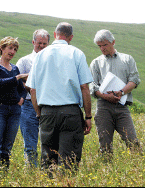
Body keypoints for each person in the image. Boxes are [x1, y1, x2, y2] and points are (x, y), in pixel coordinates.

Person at [26, 22, 93, 174]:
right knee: (69, 160)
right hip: (71, 112)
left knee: (48, 159)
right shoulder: (77, 53)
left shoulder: (40, 55)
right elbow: (84, 87)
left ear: (55, 34)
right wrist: (88, 116)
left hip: (47, 112)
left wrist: (39, 113)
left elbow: (33, 89)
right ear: (71, 37)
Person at [89, 29, 141, 159]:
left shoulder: (127, 59)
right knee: (105, 144)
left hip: (122, 106)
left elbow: (134, 80)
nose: (102, 48)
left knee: (132, 141)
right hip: (103, 107)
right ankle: (106, 170)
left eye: (104, 45)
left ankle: (139, 166)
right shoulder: (96, 62)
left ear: (113, 42)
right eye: (99, 46)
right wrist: (105, 96)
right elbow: (92, 85)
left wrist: (121, 92)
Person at [0, 36, 28, 174]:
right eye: (10, 48)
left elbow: (21, 88)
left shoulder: (15, 68)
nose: (12, 51)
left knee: (7, 147)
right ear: (2, 48)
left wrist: (21, 99)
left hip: (14, 110)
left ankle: (2, 176)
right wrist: (18, 77)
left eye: (15, 49)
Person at [16, 29, 50, 167]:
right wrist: (30, 86)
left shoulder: (51, 61)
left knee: (48, 141)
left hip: (47, 105)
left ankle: (46, 171)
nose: (41, 46)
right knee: (30, 143)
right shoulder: (24, 61)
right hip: (28, 105)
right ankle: (30, 173)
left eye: (44, 43)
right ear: (33, 42)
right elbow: (16, 81)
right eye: (39, 43)